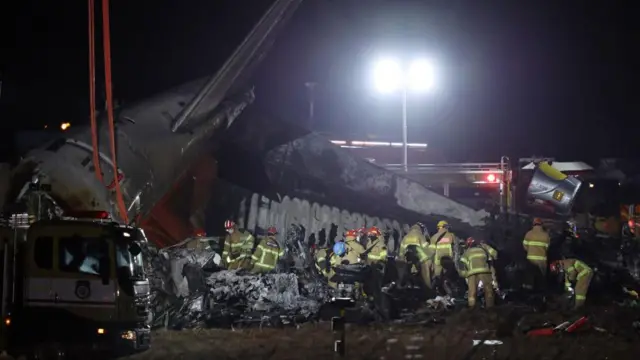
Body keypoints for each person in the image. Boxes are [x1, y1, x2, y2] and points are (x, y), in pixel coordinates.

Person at [459, 237, 498, 308]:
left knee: (472, 293)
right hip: (485, 272)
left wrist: (464, 274)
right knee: (489, 292)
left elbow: (462, 264)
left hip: (472, 274)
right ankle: (490, 309)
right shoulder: (484, 250)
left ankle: (472, 309)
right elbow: (492, 259)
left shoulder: (467, 252)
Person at [399, 222, 432, 290]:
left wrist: (402, 259)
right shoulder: (419, 235)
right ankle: (428, 289)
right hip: (419, 260)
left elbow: (401, 251)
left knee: (408, 274)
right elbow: (425, 248)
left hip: (408, 261)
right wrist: (431, 255)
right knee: (424, 275)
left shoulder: (406, 236)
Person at [523, 218, 550, 290]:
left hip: (530, 259)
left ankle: (528, 291)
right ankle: (541, 291)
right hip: (542, 260)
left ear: (533, 224)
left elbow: (525, 246)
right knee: (541, 276)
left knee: (530, 275)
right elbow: (547, 247)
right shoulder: (546, 235)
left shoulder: (529, 233)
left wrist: (530, 251)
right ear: (541, 225)